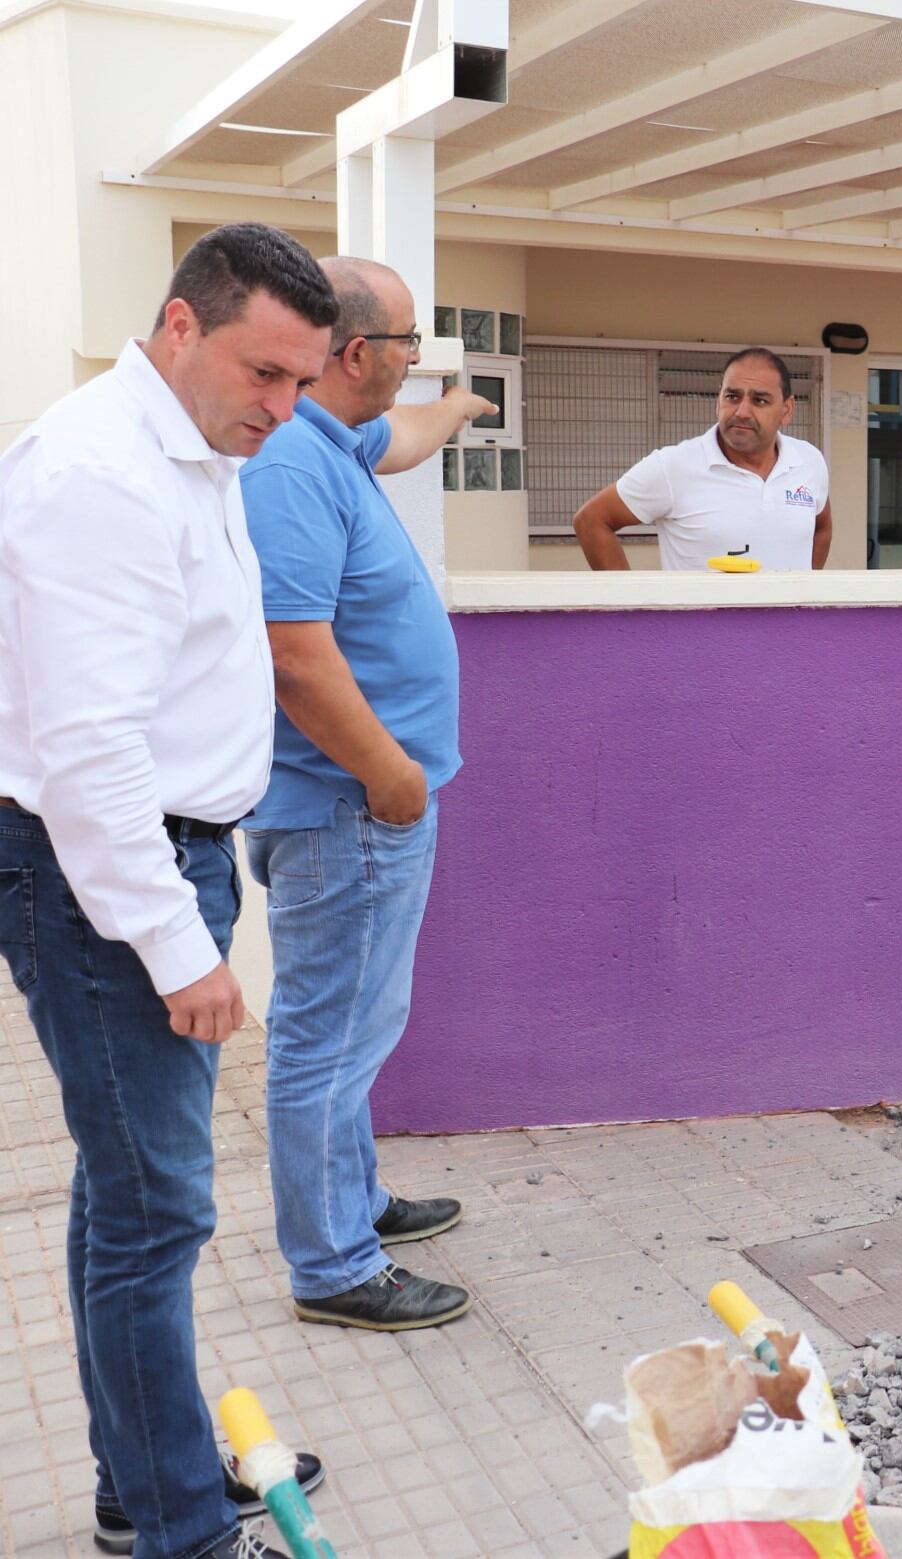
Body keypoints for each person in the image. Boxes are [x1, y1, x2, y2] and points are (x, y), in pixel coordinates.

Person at [0, 221, 339, 1559]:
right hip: (108, 879)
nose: (283, 407)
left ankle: (144, 1471)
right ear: (181, 323)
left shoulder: (192, 447)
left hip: (164, 857)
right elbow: (87, 747)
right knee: (157, 1211)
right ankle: (180, 1530)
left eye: (305, 381)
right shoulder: (101, 472)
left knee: (128, 1191)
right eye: (266, 373)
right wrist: (176, 942)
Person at [237, 257, 498, 1333]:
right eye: (407, 347)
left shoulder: (333, 440)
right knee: (326, 1035)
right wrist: (391, 778)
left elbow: (403, 437)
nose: (412, 364)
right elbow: (293, 655)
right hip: (349, 808)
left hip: (361, 808)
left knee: (354, 1025)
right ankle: (333, 1263)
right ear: (357, 355)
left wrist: (458, 402)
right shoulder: (291, 465)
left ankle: (355, 1203)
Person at [571, 347, 831, 571]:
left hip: (789, 630)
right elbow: (592, 520)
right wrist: (628, 610)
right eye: (732, 396)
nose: (742, 411)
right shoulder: (673, 466)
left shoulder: (809, 461)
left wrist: (804, 593)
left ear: (787, 410)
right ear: (718, 401)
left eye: (760, 400)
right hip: (701, 630)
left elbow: (821, 529)